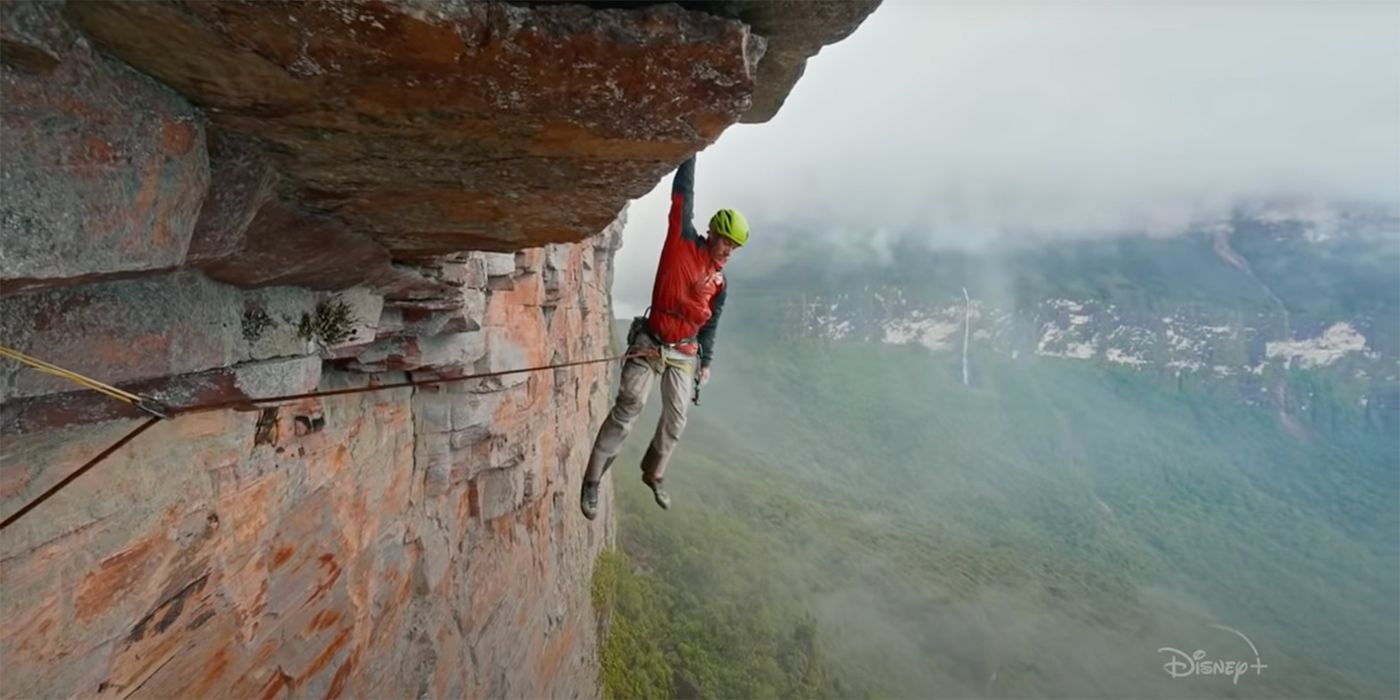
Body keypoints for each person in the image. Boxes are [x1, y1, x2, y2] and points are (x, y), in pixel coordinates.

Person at [580, 154, 748, 520]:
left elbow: (711, 324)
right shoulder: (681, 240)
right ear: (714, 234)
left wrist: (706, 362)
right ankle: (593, 479)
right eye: (727, 243)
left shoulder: (719, 282)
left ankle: (653, 472)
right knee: (630, 405)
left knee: (676, 419)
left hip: (684, 350)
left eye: (735, 247)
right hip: (652, 339)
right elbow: (682, 194)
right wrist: (694, 146)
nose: (729, 251)